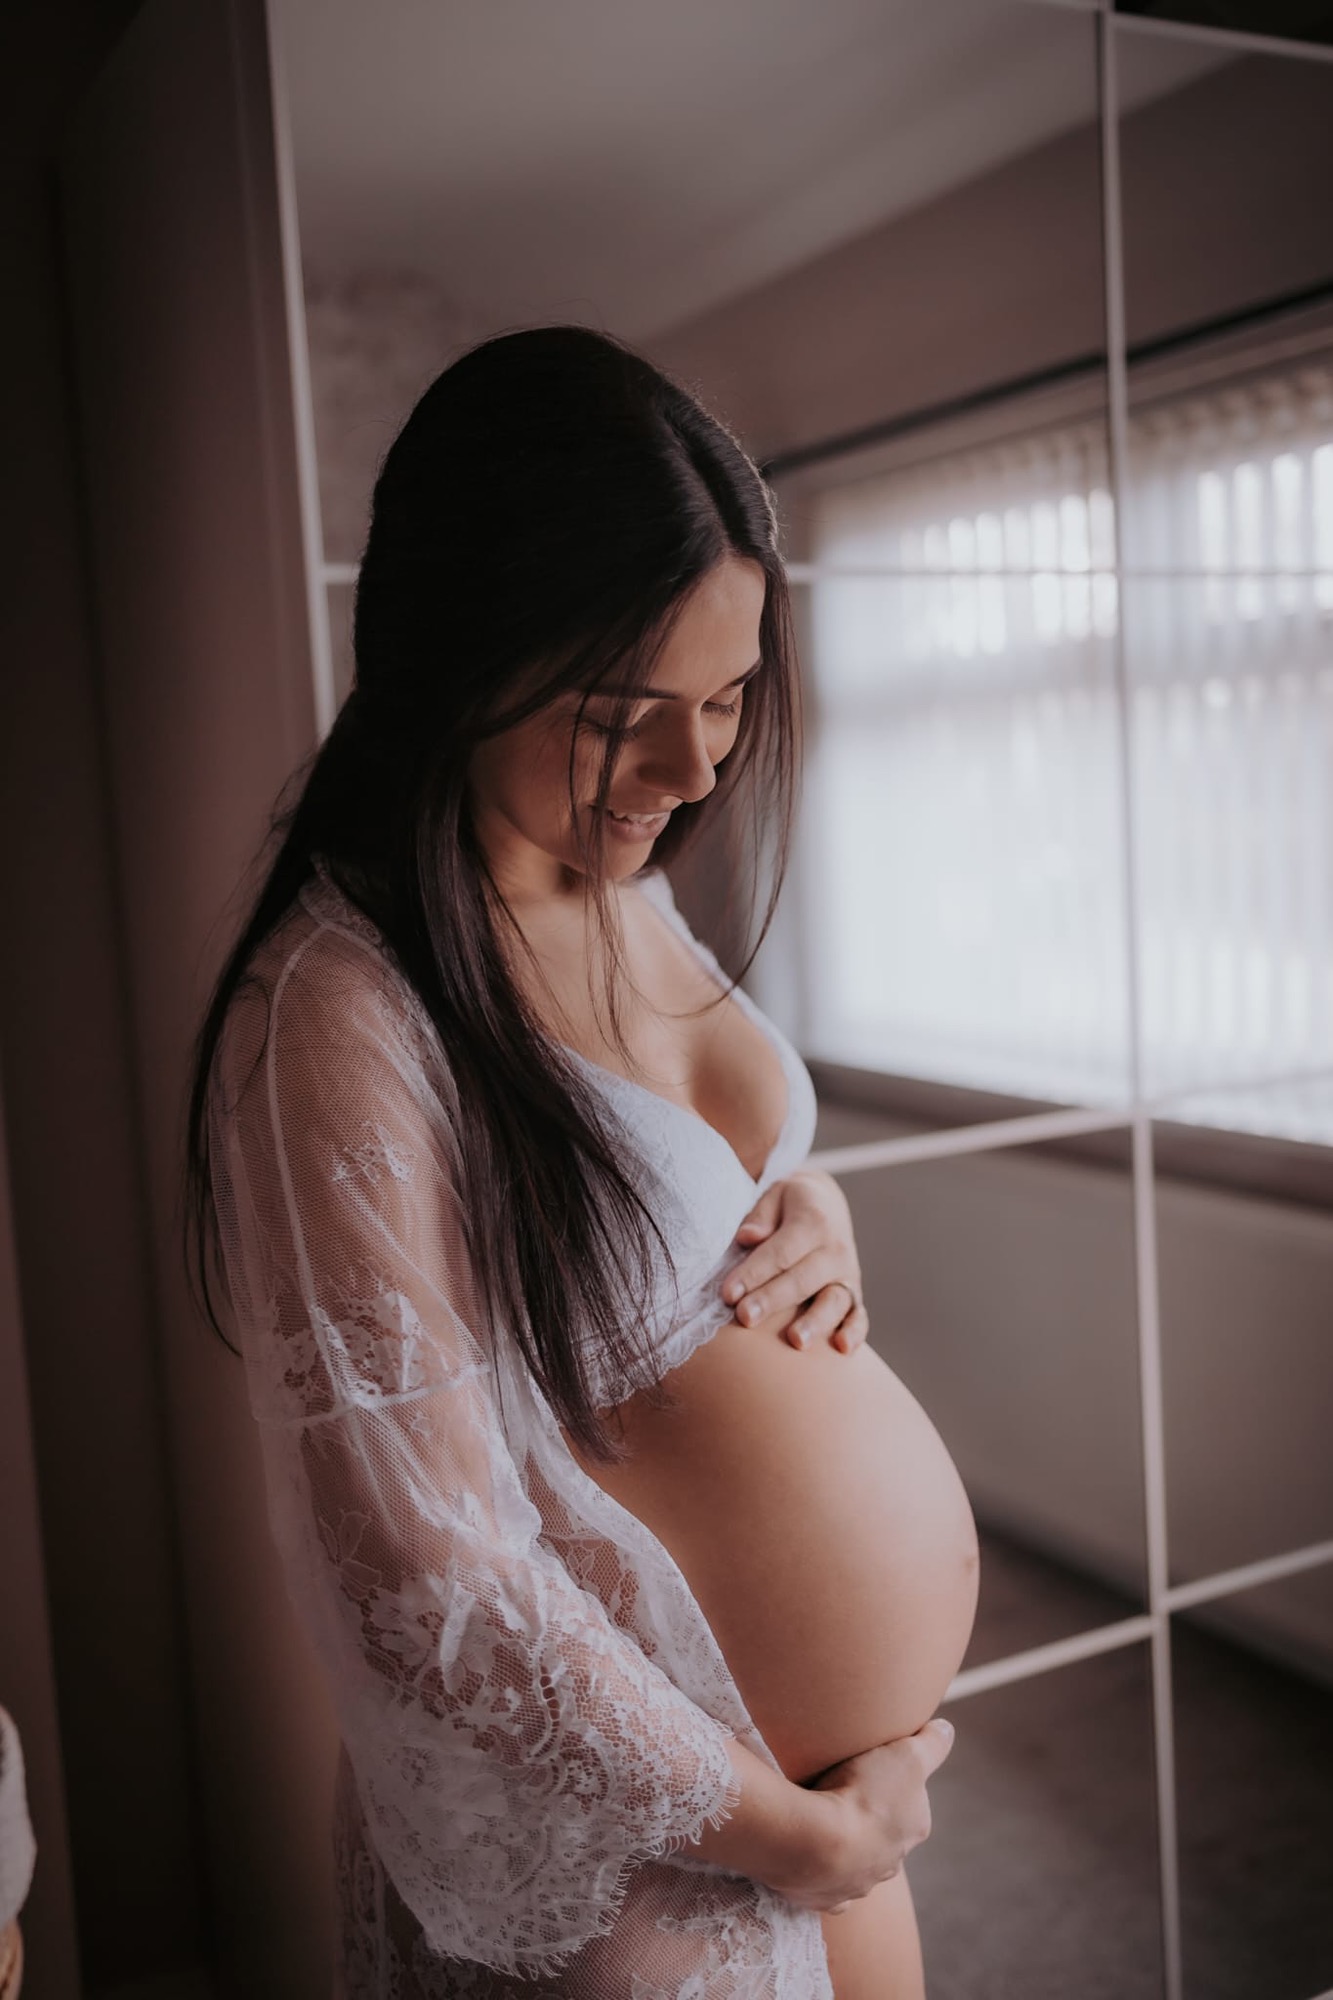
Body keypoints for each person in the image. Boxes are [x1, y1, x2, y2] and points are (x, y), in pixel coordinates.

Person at [184, 324, 966, 1998]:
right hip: (654, 1851)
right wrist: (779, 1832)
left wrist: (809, 1209)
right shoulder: (339, 1010)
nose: (695, 771)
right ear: (458, 665)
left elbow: (656, 1209)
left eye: (729, 700)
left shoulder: (624, 888)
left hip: (823, 1818)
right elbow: (421, 1566)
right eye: (626, 718)